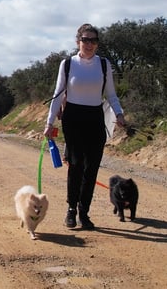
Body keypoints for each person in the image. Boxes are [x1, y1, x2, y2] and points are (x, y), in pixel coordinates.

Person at [43, 23, 126, 230]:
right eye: (85, 40)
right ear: (78, 41)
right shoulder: (68, 64)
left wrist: (119, 113)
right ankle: (71, 210)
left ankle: (84, 212)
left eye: (93, 40)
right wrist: (49, 122)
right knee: (76, 165)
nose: (89, 44)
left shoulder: (104, 64)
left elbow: (111, 94)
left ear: (97, 44)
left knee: (92, 168)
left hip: (95, 117)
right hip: (73, 117)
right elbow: (58, 94)